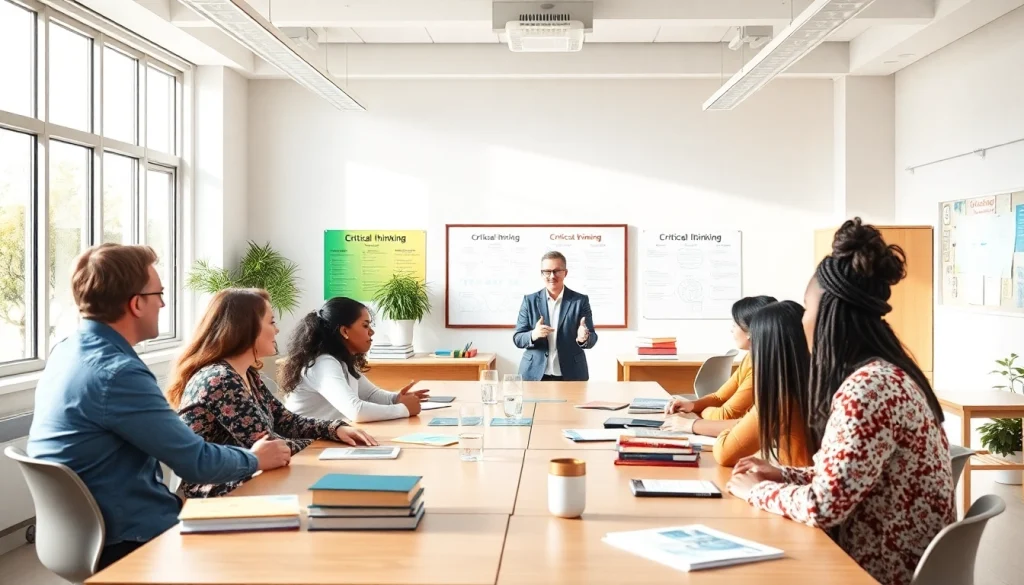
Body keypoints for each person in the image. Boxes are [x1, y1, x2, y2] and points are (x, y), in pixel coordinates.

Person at [27, 244, 292, 570]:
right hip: (129, 538)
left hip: (80, 534)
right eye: (159, 293)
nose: (164, 303)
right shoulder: (118, 373)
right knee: (281, 547)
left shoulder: (67, 351)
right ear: (136, 304)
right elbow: (196, 463)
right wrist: (254, 458)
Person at [726, 218, 955, 585]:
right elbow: (848, 477)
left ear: (830, 312)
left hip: (872, 570)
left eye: (807, 308)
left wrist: (758, 490)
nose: (802, 321)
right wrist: (784, 473)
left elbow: (823, 506)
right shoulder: (887, 374)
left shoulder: (867, 389)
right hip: (884, 557)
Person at [165, 288, 377, 498]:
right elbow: (271, 447)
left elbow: (284, 420)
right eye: (272, 322)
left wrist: (334, 429)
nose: (277, 330)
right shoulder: (220, 380)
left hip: (245, 481)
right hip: (215, 493)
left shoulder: (248, 375)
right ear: (247, 328)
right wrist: (323, 442)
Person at [278, 297, 430, 423]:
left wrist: (396, 398)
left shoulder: (341, 360)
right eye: (365, 325)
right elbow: (356, 412)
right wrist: (404, 409)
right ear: (344, 331)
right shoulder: (323, 363)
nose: (372, 331)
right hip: (305, 448)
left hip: (322, 441)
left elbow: (370, 395)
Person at [710, 300, 813, 467]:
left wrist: (732, 428)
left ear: (765, 345)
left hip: (797, 484)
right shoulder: (816, 386)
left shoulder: (780, 399)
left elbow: (724, 453)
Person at [661, 296, 777, 438]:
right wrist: (691, 405)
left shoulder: (763, 367)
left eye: (735, 325)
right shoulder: (750, 357)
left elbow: (725, 415)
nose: (731, 330)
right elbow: (718, 397)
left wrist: (697, 415)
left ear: (751, 331)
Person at [512, 251, 597, 381]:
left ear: (565, 272)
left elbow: (592, 337)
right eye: (547, 271)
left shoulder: (580, 301)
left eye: (557, 271)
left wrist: (583, 338)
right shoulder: (529, 301)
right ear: (541, 273)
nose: (552, 276)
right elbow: (518, 338)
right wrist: (534, 334)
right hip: (534, 373)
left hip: (571, 373)